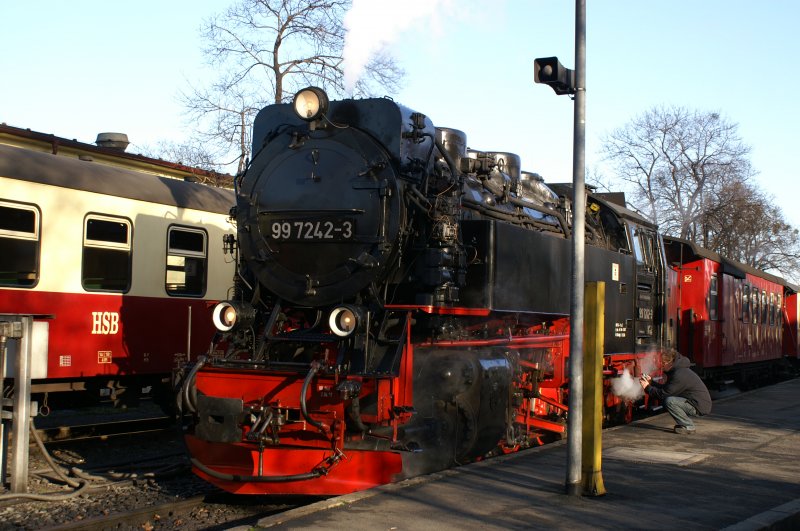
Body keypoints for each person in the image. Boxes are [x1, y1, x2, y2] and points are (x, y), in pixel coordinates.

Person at [639, 348, 712, 434]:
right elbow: (666, 388)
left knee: (670, 401)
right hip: (696, 402)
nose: (661, 366)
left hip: (699, 406)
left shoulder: (679, 374)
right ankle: (686, 424)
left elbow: (663, 394)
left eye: (663, 363)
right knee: (670, 400)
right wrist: (651, 382)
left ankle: (688, 426)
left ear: (670, 362)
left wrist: (647, 387)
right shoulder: (678, 370)